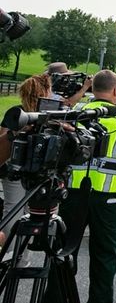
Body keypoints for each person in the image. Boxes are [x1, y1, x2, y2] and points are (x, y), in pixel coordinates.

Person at [46, 69, 116, 303]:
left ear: (93, 89)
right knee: (104, 257)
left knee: (63, 251)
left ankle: (55, 298)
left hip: (72, 195)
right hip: (108, 199)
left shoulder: (75, 111)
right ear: (115, 90)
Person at [0, 75, 53, 257]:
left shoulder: (17, 113)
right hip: (36, 171)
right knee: (31, 214)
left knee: (12, 210)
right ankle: (21, 257)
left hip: (13, 170)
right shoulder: (49, 116)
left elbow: (4, 140)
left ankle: (9, 254)